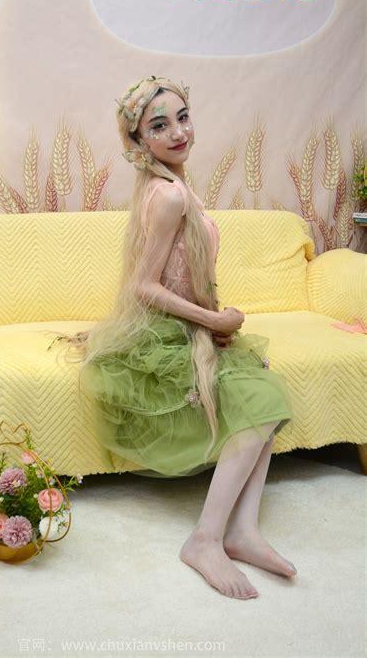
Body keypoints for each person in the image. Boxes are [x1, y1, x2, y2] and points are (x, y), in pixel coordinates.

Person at [44, 76, 297, 600]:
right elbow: (144, 285)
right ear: (139, 141)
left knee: (263, 396)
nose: (178, 132)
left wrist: (214, 319)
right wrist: (214, 322)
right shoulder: (169, 196)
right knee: (261, 403)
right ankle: (205, 539)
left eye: (183, 117)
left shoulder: (172, 186)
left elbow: (185, 272)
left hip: (192, 323)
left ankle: (242, 530)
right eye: (159, 126)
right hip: (167, 331)